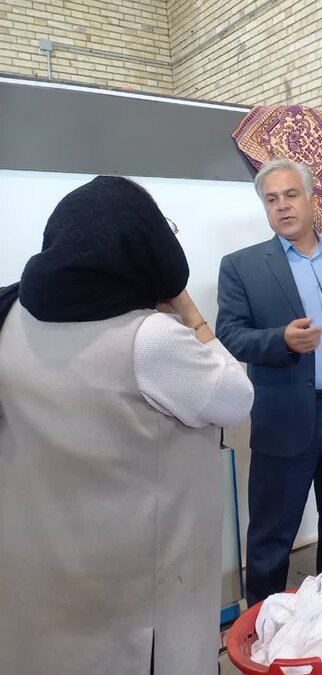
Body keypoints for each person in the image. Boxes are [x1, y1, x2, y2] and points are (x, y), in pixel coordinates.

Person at [0, 176, 254, 674]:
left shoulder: (10, 318)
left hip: (45, 571)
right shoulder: (149, 341)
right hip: (139, 590)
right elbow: (236, 398)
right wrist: (187, 308)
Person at [216, 158, 322, 608]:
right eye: (272, 199)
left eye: (291, 195)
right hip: (285, 417)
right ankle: (264, 627)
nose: (282, 206)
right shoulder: (242, 266)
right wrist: (282, 341)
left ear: (311, 199)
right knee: (272, 535)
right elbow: (230, 334)